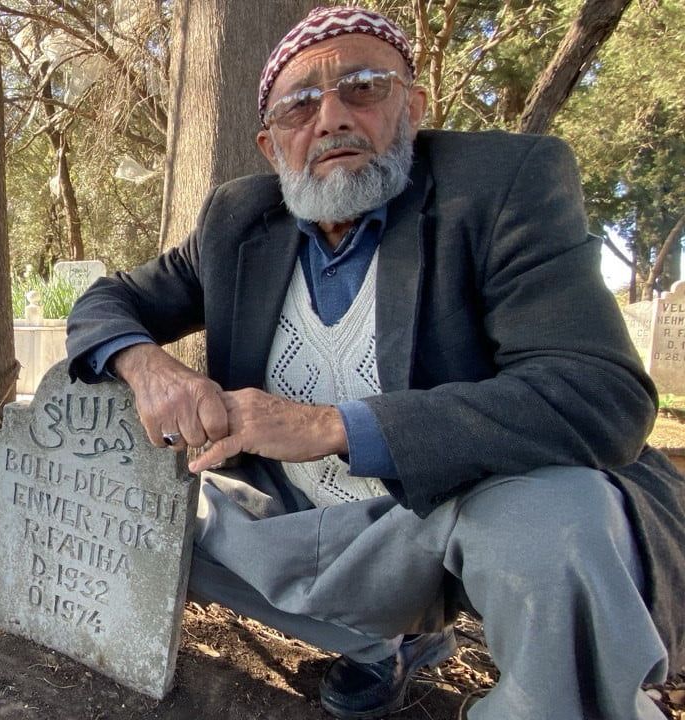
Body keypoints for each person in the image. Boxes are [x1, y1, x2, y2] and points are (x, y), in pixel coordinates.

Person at [66, 7, 684, 719]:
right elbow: (107, 301)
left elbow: (599, 392)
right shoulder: (238, 220)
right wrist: (149, 367)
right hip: (301, 517)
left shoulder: (501, 187)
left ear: (413, 108)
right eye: (299, 106)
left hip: (445, 512)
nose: (329, 119)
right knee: (144, 512)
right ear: (272, 146)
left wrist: (335, 425)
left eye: (362, 87)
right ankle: (378, 645)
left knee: (555, 521)